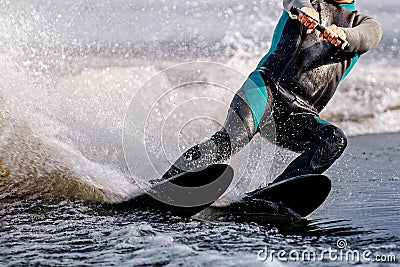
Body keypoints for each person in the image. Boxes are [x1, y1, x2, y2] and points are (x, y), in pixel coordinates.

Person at [161, 0, 382, 186]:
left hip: (299, 115)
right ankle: (166, 183)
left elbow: (364, 36)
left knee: (334, 140)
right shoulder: (309, 2)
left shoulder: (365, 24)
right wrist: (304, 11)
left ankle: (273, 195)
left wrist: (343, 35)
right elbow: (293, 1)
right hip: (264, 90)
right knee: (233, 138)